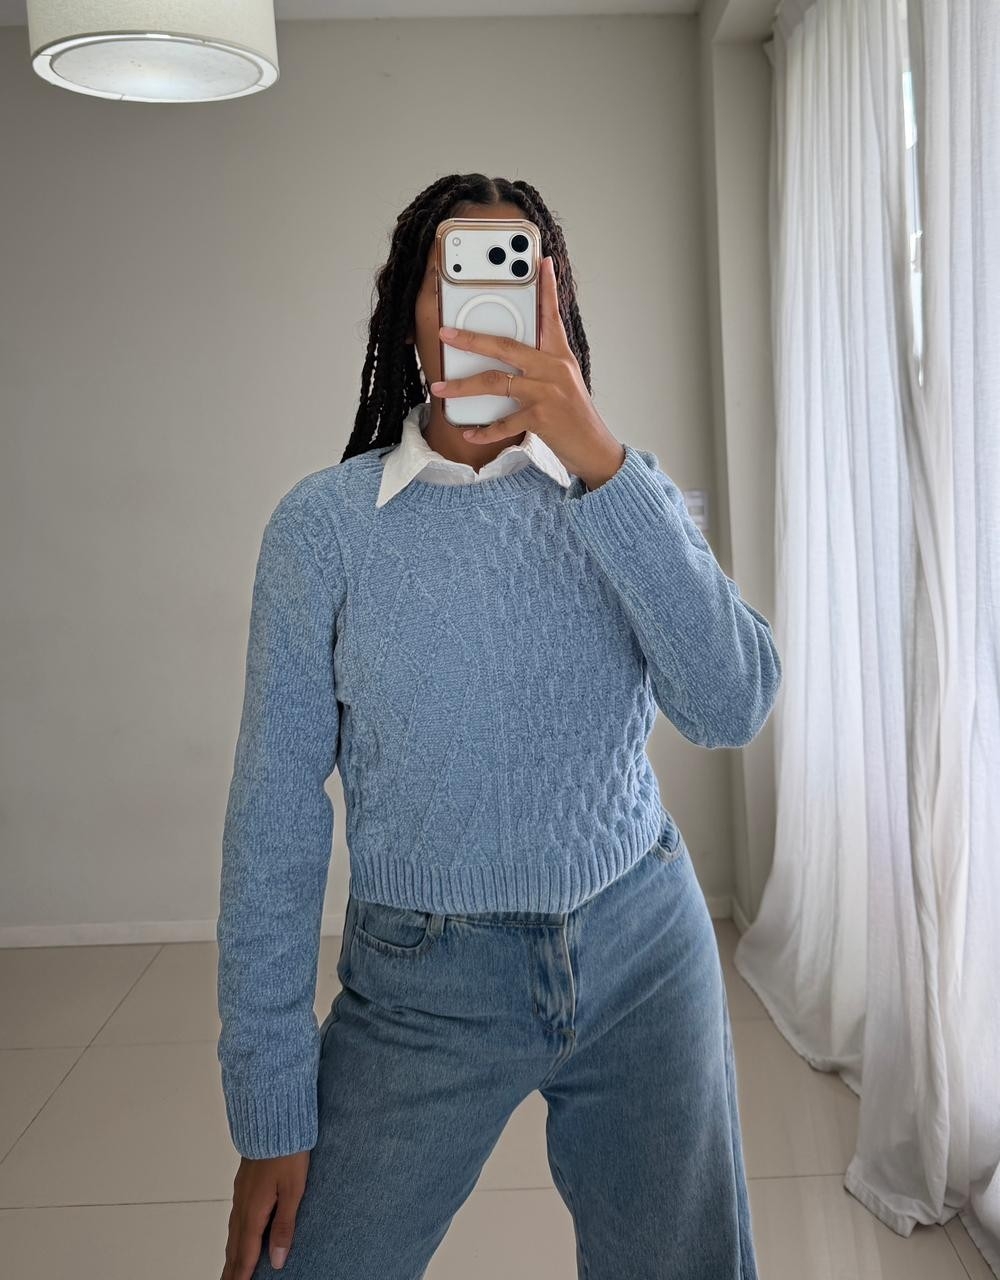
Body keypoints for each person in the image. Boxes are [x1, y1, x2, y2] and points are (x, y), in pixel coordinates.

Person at [217, 172, 782, 1280]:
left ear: (552, 309)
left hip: (644, 949)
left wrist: (601, 455)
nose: (483, 304)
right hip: (421, 984)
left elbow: (731, 704)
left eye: (516, 276)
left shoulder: (619, 495)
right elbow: (272, 821)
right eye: (453, 276)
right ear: (408, 312)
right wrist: (268, 1101)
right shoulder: (322, 531)